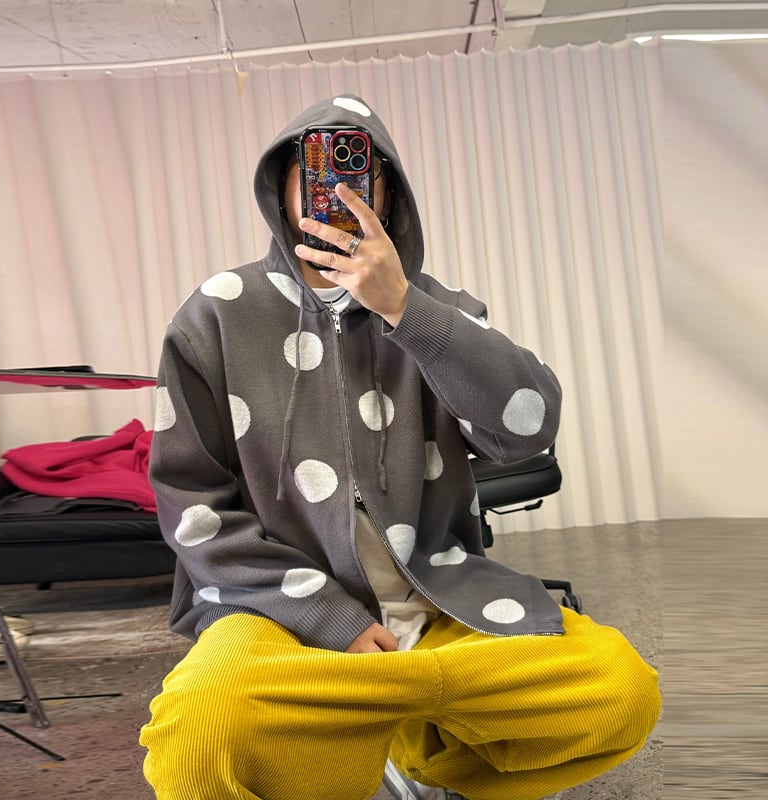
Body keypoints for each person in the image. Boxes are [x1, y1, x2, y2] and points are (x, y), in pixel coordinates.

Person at [140, 94, 660, 800]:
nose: (336, 187)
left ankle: (403, 736)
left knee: (621, 692)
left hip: (440, 597)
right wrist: (330, 618)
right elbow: (192, 507)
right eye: (314, 167)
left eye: (359, 169)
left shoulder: (438, 306)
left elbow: (528, 426)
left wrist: (405, 309)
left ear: (388, 191)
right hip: (280, 615)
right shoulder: (216, 314)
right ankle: (405, 715)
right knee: (199, 737)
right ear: (282, 185)